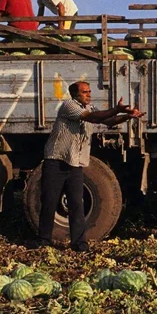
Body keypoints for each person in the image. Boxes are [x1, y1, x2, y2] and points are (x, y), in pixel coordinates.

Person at [35, 81, 144, 251]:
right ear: (75, 94)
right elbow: (94, 118)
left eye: (89, 91)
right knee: (49, 201)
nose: (89, 94)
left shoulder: (90, 108)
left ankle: (79, 243)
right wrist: (118, 108)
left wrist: (127, 116)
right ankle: (43, 240)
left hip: (76, 163)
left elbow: (108, 121)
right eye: (85, 92)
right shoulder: (68, 106)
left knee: (77, 203)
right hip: (56, 161)